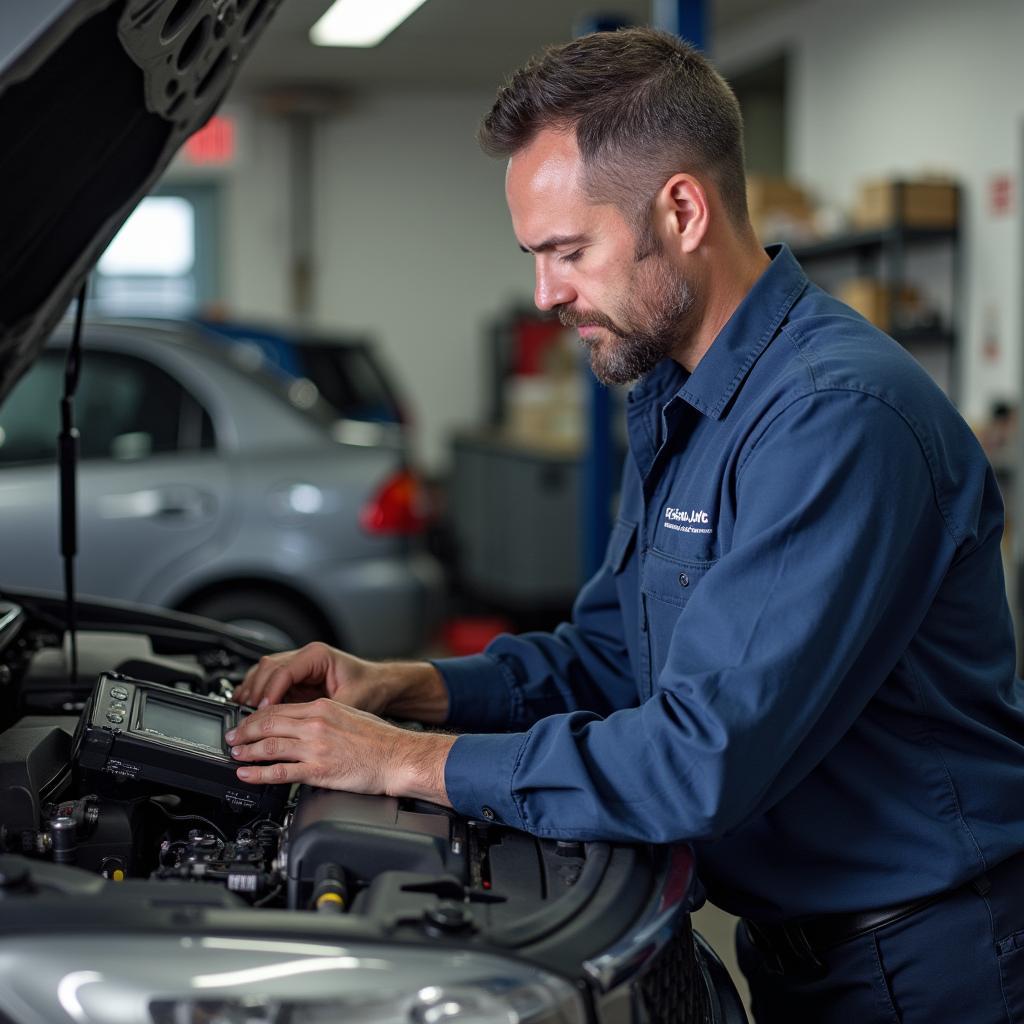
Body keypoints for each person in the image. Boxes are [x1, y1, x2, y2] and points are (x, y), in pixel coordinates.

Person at [225, 27, 1024, 1023]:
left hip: (926, 965)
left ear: (682, 209)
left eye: (568, 251)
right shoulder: (680, 396)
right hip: (809, 950)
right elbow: (612, 658)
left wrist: (400, 761)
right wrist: (410, 688)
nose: (545, 294)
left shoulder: (834, 417)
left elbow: (698, 757)